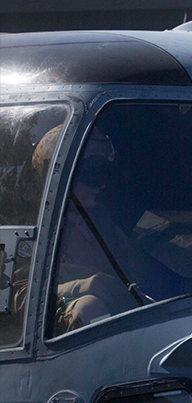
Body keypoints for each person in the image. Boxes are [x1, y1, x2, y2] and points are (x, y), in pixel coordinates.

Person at [46, 125, 140, 335]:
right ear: (62, 176)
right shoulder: (41, 230)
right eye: (92, 174)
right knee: (90, 308)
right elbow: (21, 292)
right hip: (68, 329)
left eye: (105, 174)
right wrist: (83, 286)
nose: (101, 186)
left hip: (121, 316)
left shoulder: (106, 226)